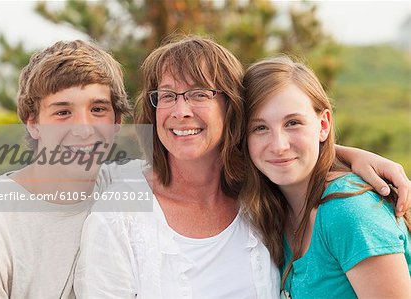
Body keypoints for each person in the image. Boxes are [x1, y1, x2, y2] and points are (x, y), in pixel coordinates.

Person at [74, 35, 411, 298]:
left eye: (199, 93)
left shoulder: (259, 196)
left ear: (230, 109)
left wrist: (345, 154)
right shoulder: (119, 212)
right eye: (167, 95)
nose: (181, 111)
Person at [0, 40, 130, 298]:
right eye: (63, 112)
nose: (84, 130)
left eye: (98, 109)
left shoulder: (128, 189)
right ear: (33, 123)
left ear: (116, 121)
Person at [241, 56, 411, 298]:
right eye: (260, 128)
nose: (278, 145)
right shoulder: (276, 210)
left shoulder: (350, 212)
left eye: (293, 123)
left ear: (323, 125)